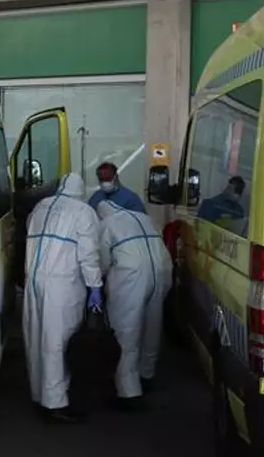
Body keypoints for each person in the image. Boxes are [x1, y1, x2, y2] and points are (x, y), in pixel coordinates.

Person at [23, 172, 105, 423]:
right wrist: (95, 286)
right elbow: (89, 254)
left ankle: (39, 394)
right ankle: (55, 402)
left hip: (33, 280)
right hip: (62, 283)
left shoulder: (40, 207)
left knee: (36, 338)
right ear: (81, 191)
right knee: (57, 342)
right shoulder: (83, 212)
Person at [95, 200, 173, 408]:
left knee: (126, 332)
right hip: (160, 271)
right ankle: (147, 375)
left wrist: (97, 281)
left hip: (131, 276)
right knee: (152, 326)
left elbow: (102, 261)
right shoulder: (145, 218)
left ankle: (128, 393)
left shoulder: (107, 224)